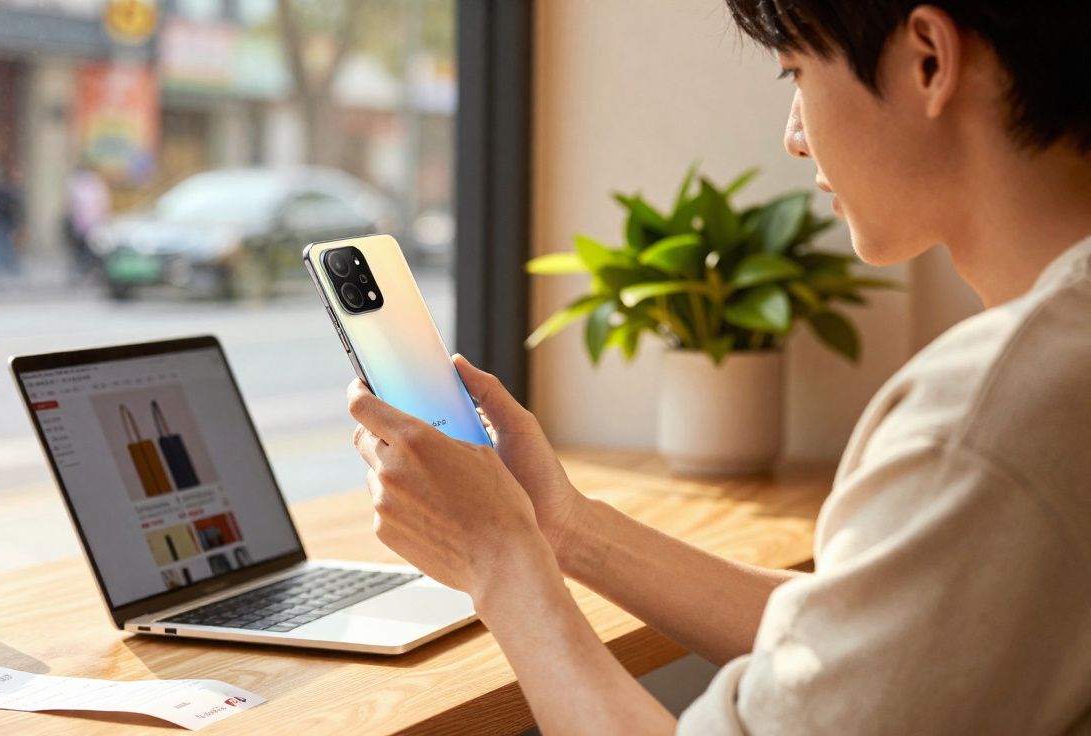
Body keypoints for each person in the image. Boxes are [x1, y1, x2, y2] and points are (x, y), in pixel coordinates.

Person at [346, 2, 1091, 734]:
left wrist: (501, 563)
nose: (794, 136)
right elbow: (872, 646)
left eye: (796, 73)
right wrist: (562, 527)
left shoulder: (986, 419)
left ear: (928, 60)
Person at [65, 163, 111, 282]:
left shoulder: (93, 185)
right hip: (82, 224)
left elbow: (101, 203)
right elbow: (73, 206)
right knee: (82, 249)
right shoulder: (77, 185)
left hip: (92, 224)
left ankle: (88, 270)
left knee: (92, 249)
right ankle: (83, 270)